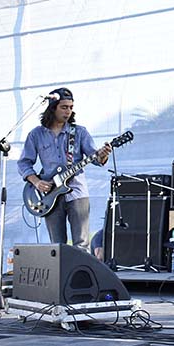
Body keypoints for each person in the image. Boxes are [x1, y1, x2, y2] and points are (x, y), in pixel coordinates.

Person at [17, 87, 112, 251]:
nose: (68, 111)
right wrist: (37, 182)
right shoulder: (36, 135)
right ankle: (60, 276)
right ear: (52, 107)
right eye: (64, 107)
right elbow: (24, 163)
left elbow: (96, 159)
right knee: (57, 246)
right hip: (49, 195)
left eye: (71, 107)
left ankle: (80, 275)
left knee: (81, 244)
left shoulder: (80, 132)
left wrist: (103, 154)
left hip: (77, 192)